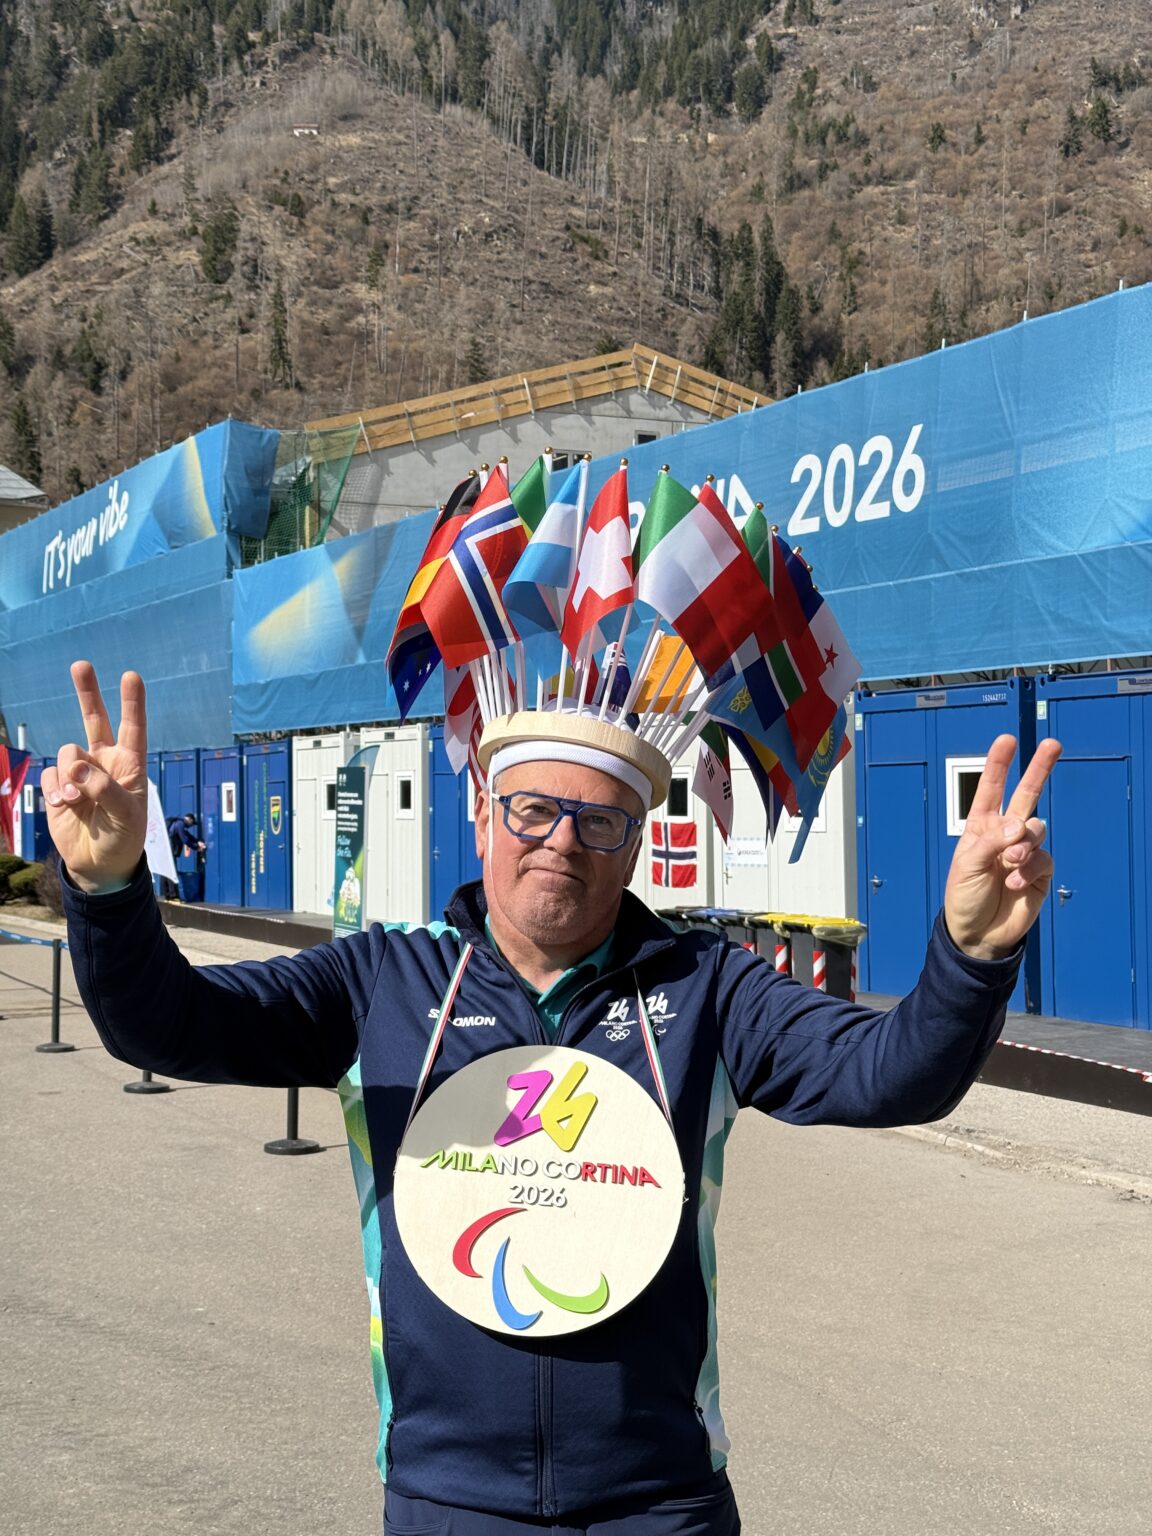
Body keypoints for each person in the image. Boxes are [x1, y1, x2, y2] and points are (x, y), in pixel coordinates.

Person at [46, 659, 1060, 1536]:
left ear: (636, 839)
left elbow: (892, 1074)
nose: (562, 842)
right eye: (533, 808)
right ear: (484, 811)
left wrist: (970, 956)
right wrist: (107, 895)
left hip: (661, 1499)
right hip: (450, 1500)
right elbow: (166, 1026)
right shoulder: (382, 984)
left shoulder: (709, 988)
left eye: (601, 819)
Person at [163, 811, 204, 900]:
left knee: (167, 872)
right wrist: (196, 847)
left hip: (166, 850)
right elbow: (185, 839)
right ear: (189, 819)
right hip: (169, 851)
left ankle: (168, 895)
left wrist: (197, 841)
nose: (191, 825)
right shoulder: (180, 824)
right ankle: (173, 895)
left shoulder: (179, 824)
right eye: (192, 823)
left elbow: (188, 835)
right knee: (171, 872)